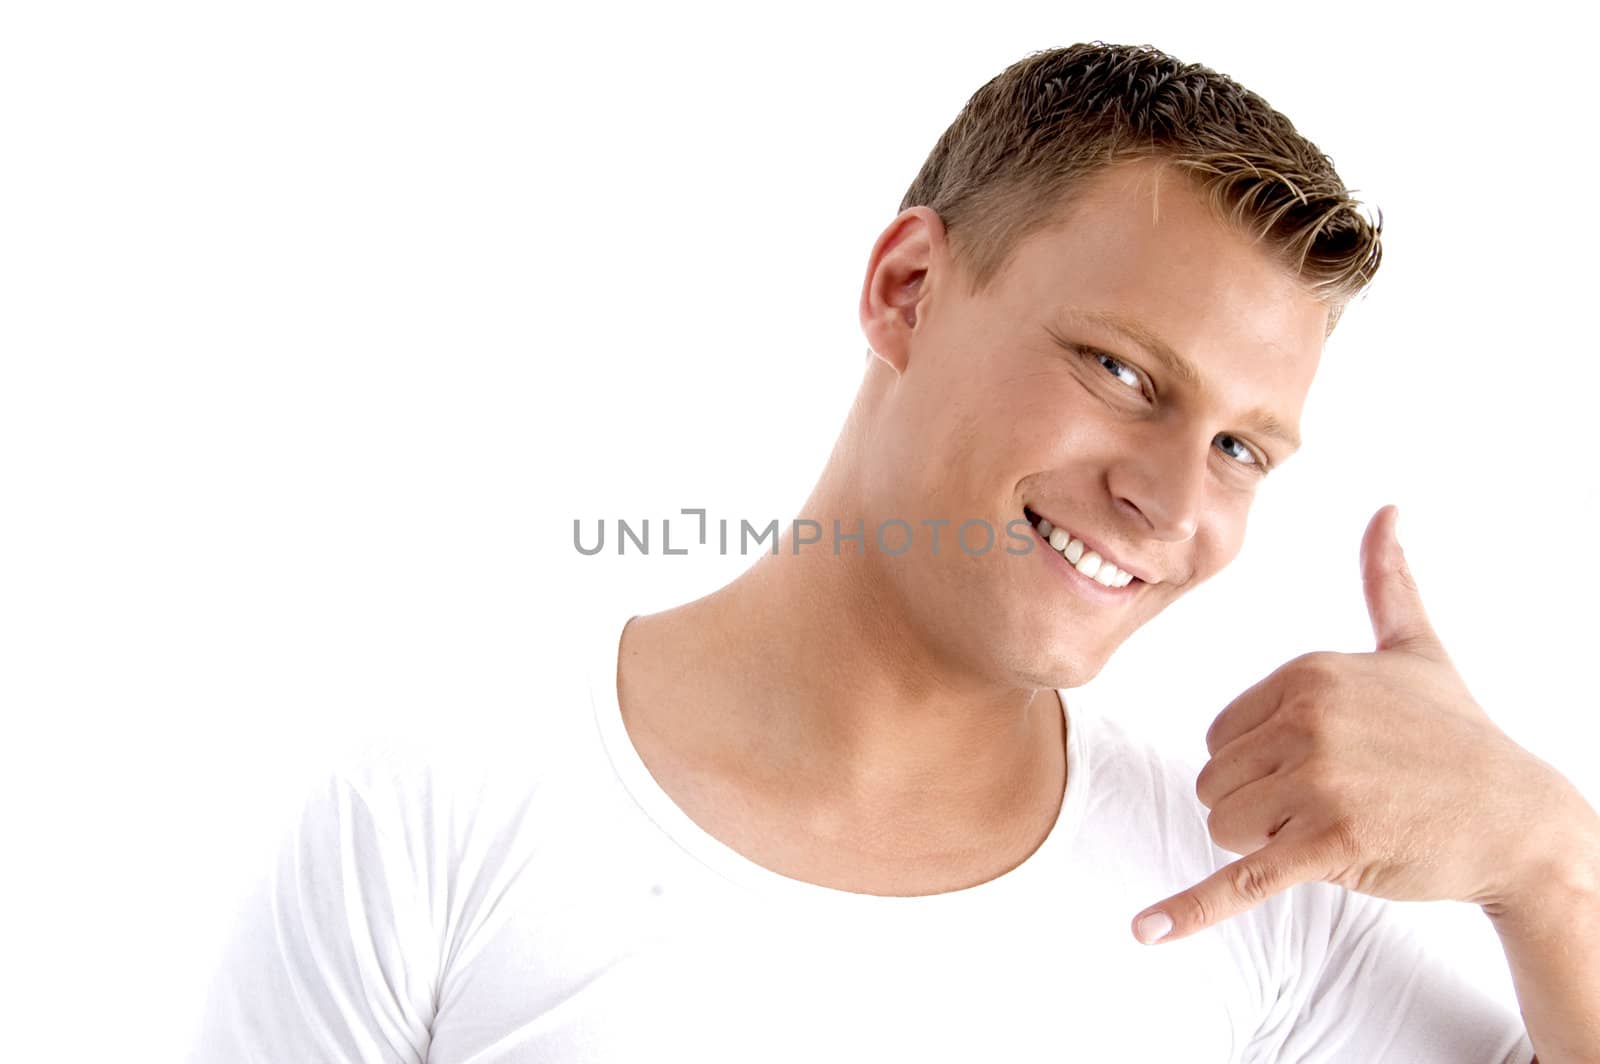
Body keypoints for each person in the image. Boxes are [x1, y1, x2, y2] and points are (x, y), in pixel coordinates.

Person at [192, 41, 1599, 1062]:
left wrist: (1550, 864)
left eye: (1243, 448)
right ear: (909, 290)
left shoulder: (1240, 893)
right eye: (1121, 371)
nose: (1173, 501)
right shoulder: (432, 810)